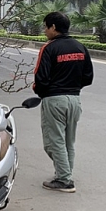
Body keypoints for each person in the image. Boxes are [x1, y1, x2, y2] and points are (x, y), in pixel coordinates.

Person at [33, 11, 94, 193]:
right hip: (75, 99)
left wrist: (43, 92)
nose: (44, 30)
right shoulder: (80, 47)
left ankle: (64, 179)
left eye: (46, 26)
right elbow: (88, 77)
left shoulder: (49, 48)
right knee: (68, 141)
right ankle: (65, 173)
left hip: (54, 99)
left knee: (54, 141)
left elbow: (40, 78)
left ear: (53, 27)